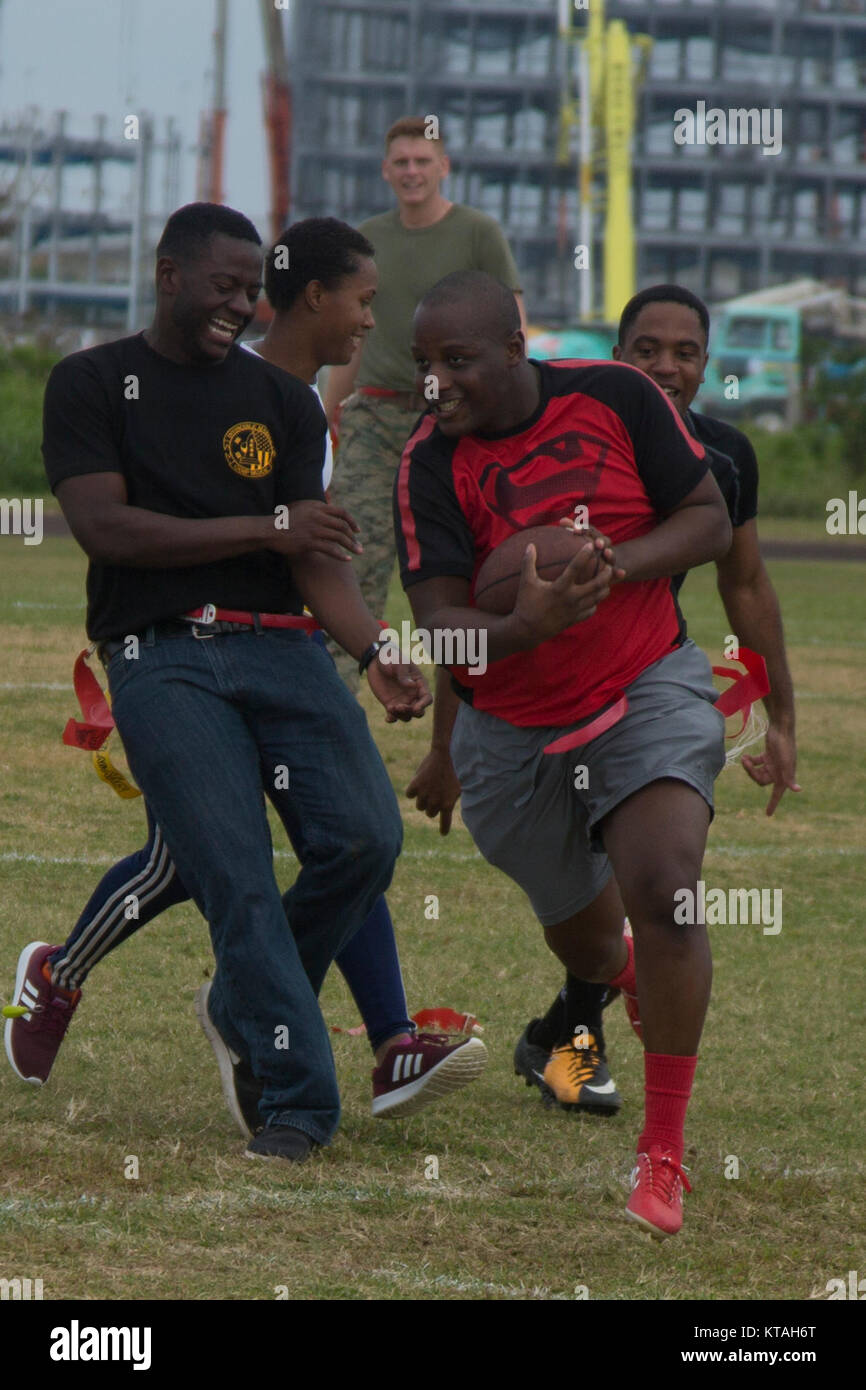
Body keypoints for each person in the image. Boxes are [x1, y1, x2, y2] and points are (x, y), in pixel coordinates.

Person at [4, 216, 486, 1132]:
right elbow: (108, 531)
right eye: (220, 285)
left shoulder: (287, 404)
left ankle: (243, 1005)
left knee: (363, 843)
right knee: (230, 874)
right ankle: (299, 1104)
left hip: (289, 649)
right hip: (163, 654)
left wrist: (377, 648)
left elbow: (317, 558)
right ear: (168, 274)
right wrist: (261, 531)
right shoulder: (92, 382)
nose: (236, 304)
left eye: (247, 288)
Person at [394, 270, 732, 1237]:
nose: (436, 385)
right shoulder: (428, 463)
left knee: (669, 889)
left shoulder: (616, 396)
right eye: (423, 366)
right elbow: (443, 630)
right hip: (514, 734)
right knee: (590, 943)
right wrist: (525, 625)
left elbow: (706, 519)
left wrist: (612, 568)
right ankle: (619, 975)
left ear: (515, 347)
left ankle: (661, 1156)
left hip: (643, 685)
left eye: (456, 361)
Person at [506, 285, 800, 1113]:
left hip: (641, 686)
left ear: (708, 366)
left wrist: (779, 716)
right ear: (617, 355)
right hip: (536, 696)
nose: (667, 367)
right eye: (647, 350)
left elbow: (744, 584)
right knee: (591, 889)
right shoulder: (571, 437)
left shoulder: (725, 455)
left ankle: (569, 1045)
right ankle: (558, 1036)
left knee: (653, 873)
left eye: (687, 352)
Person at [321, 116, 525, 686]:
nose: (412, 172)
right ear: (386, 171)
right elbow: (353, 337)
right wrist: (328, 417)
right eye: (401, 163)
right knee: (352, 553)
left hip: (455, 422)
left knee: (465, 564)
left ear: (444, 167)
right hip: (376, 417)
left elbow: (513, 328)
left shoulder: (478, 233)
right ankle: (337, 691)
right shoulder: (367, 241)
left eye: (422, 161)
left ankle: (475, 692)